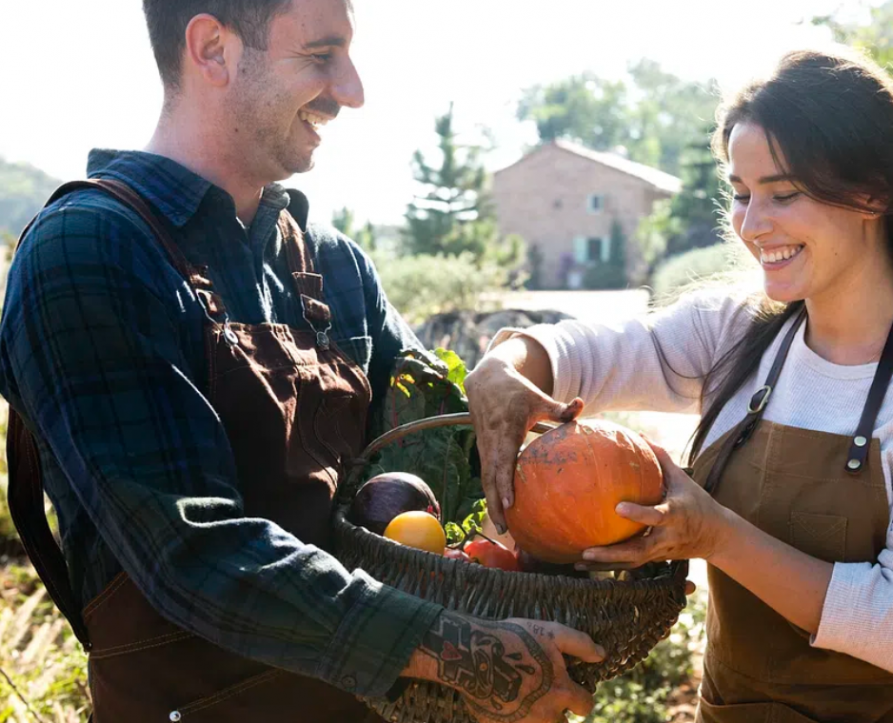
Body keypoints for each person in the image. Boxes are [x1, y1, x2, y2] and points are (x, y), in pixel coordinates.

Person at [0, 1, 602, 721]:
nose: (352, 90)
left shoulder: (333, 263)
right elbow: (191, 551)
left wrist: (561, 501)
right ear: (212, 49)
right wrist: (463, 649)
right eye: (322, 55)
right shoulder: (89, 253)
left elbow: (432, 464)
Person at [466, 47, 893, 723]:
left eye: (783, 192)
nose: (750, 224)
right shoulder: (742, 329)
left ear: (874, 191)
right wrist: (508, 364)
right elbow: (599, 352)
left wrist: (716, 535)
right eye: (741, 194)